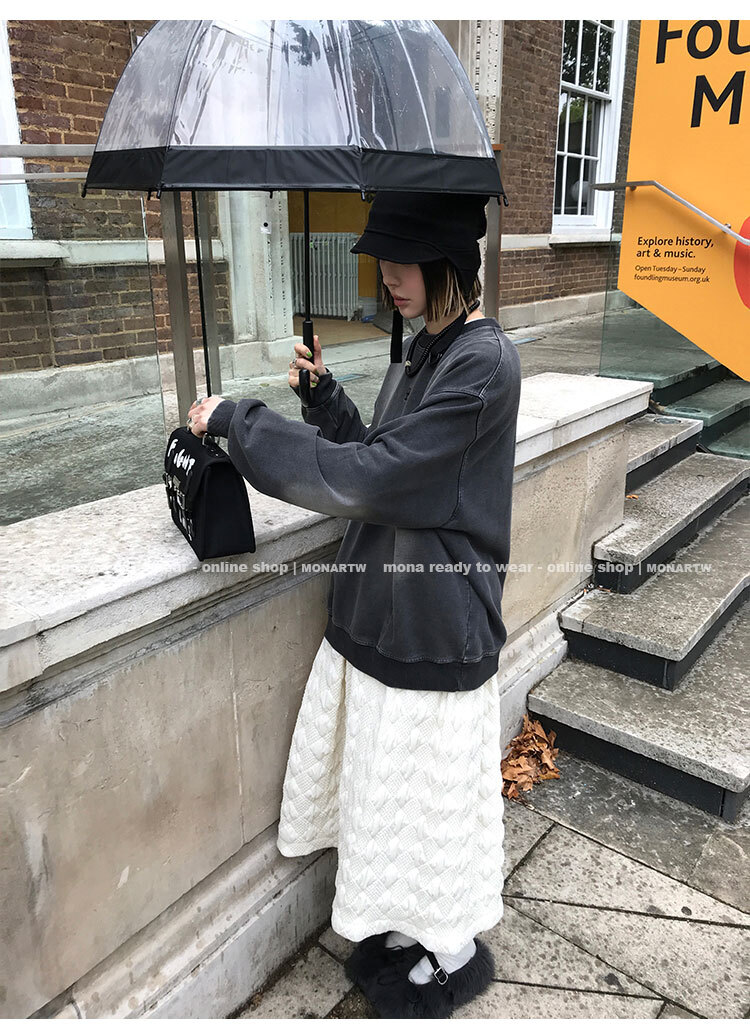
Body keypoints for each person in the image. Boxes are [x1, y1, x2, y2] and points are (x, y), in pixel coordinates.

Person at [187, 191, 522, 1019]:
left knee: (428, 808)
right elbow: (383, 453)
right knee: (390, 804)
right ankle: (408, 931)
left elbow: (379, 479)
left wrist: (243, 422)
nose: (387, 278)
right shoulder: (429, 350)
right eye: (385, 262)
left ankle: (451, 951)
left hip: (435, 629)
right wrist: (325, 399)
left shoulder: (484, 363)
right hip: (382, 618)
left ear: (448, 263)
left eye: (403, 262)